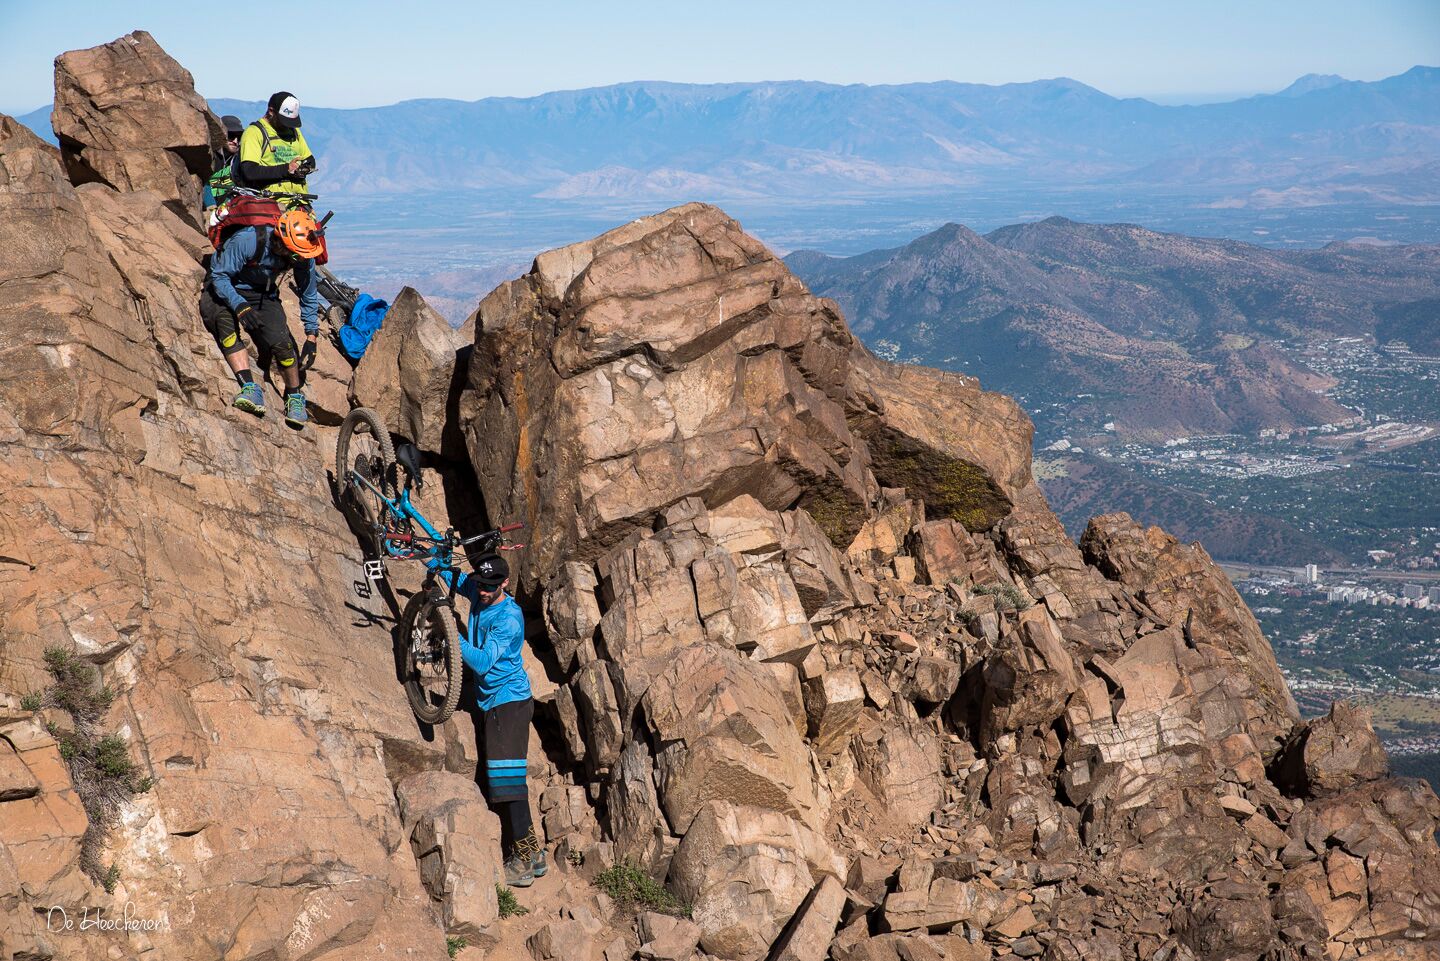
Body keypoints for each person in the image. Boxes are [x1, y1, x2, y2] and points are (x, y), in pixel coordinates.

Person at [430, 550, 546, 887]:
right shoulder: (480, 590)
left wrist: (452, 632)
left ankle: (523, 862)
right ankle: (535, 857)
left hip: (508, 703)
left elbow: (481, 662)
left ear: (505, 583)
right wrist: (430, 557)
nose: (482, 591)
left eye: (490, 586)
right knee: (508, 778)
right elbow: (455, 578)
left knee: (509, 783)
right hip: (495, 702)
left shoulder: (508, 619)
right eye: (480, 584)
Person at [200, 208, 323, 428]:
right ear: (282, 242)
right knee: (225, 325)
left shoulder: (303, 252)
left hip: (262, 293)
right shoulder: (248, 240)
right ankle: (249, 388)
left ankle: (294, 396)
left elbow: (308, 292)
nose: (298, 259)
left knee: (283, 343)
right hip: (227, 286)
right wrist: (239, 306)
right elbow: (220, 276)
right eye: (294, 254)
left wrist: (311, 335)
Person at [235, 91, 316, 201]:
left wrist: (303, 169)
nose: (287, 125)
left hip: (301, 199)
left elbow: (310, 159)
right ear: (271, 111)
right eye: (284, 121)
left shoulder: (294, 131)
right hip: (271, 202)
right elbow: (250, 171)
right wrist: (286, 169)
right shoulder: (254, 133)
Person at [202, 115, 244, 214]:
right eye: (231, 136)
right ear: (222, 135)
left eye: (239, 137)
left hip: (226, 209)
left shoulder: (240, 159)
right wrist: (212, 208)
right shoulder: (210, 154)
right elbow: (204, 183)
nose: (235, 141)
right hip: (205, 207)